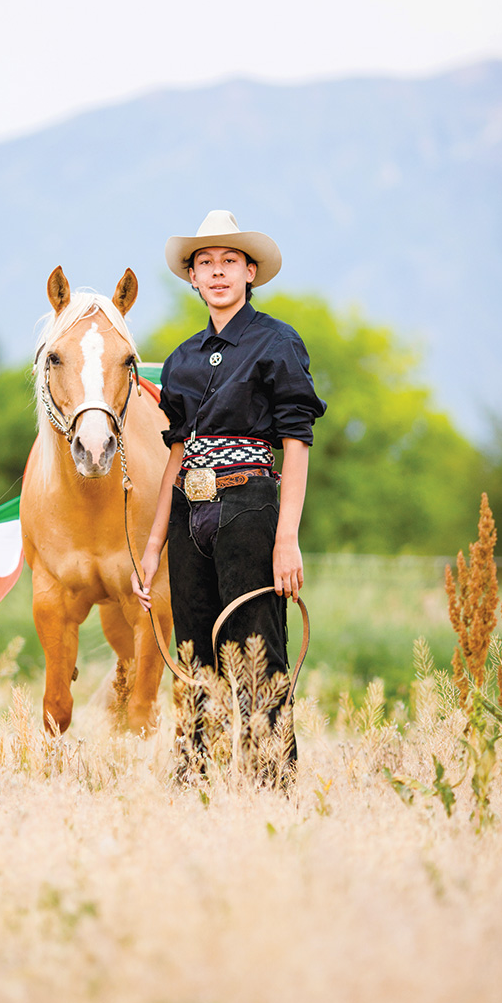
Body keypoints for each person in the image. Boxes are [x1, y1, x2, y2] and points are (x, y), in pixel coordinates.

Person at [131, 209, 326, 767]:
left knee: (256, 648)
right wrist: (152, 547)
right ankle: (197, 780)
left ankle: (268, 785)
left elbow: (296, 439)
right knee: (193, 653)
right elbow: (175, 452)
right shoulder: (183, 358)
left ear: (250, 272)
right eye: (205, 263)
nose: (217, 272)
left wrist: (286, 537)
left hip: (250, 504)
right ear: (192, 277)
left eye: (229, 261)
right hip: (188, 511)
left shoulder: (277, 342)